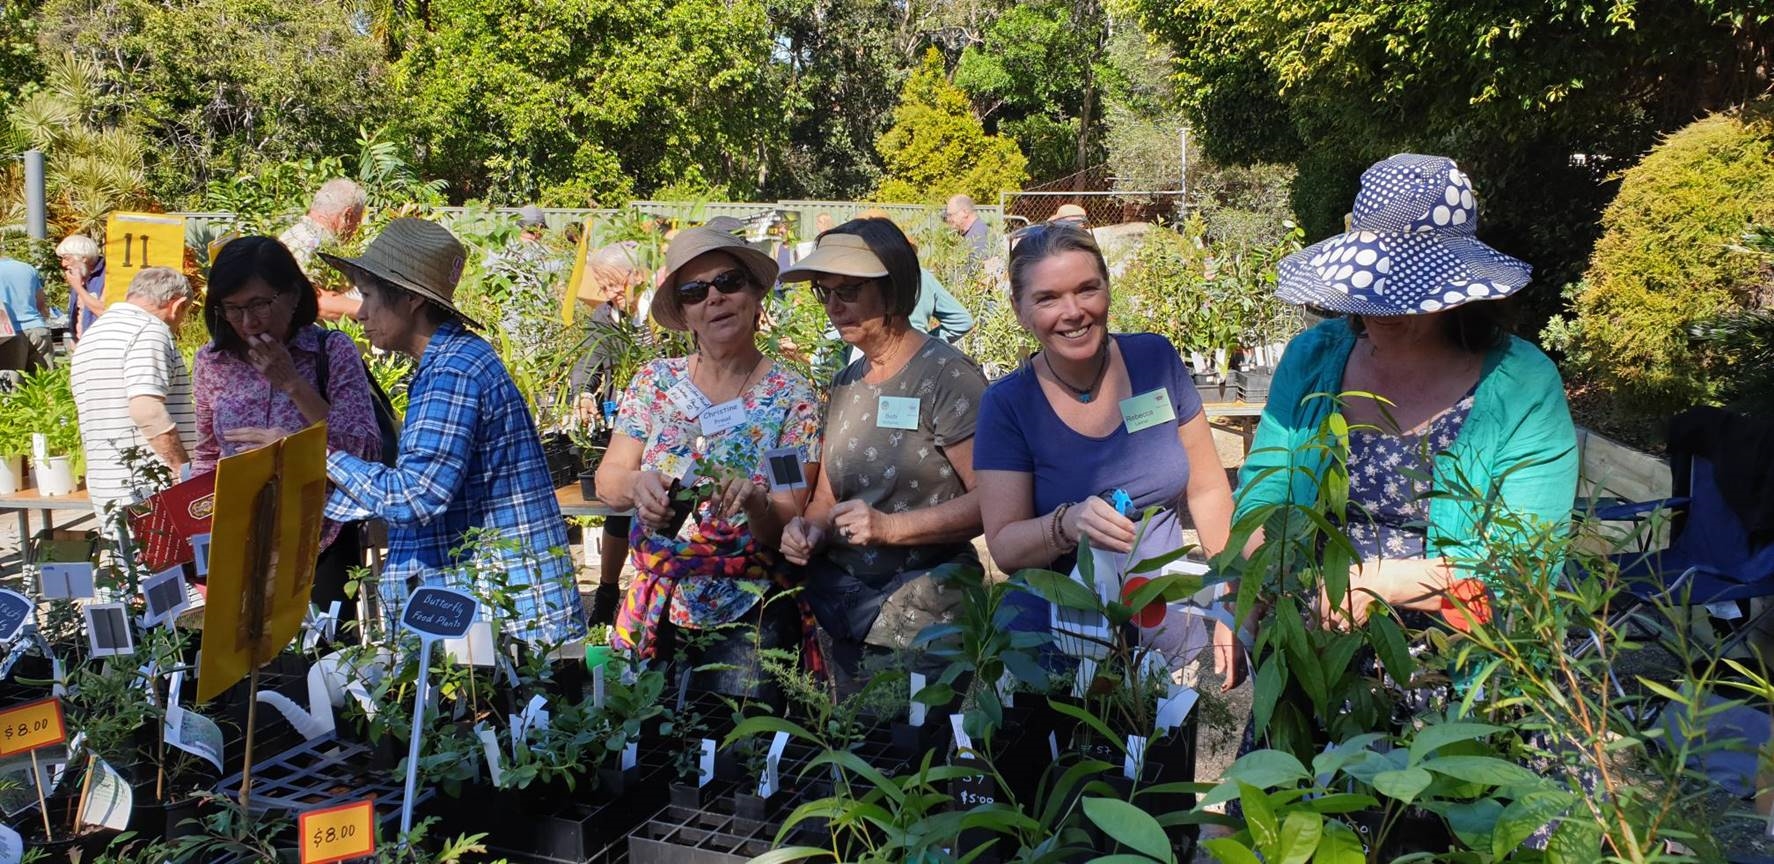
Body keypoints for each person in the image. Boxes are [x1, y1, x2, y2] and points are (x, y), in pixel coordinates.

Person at [1236, 154, 1579, 630]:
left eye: (1406, 289)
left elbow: (1523, 565)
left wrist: (1385, 582)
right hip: (1313, 643)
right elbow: (1266, 491)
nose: (1381, 304)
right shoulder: (1312, 359)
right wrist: (1256, 580)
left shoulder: (1523, 387)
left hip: (1458, 670)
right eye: (1370, 281)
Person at [973, 223, 1242, 684]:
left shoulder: (1154, 360)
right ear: (1020, 310)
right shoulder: (1008, 404)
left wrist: (1229, 598)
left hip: (1165, 631)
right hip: (1055, 649)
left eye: (1086, 289)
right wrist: (1067, 524)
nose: (1073, 312)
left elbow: (1208, 488)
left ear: (1107, 290)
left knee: (1163, 754)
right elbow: (1004, 546)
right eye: (1048, 298)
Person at [301, 218, 585, 647]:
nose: (360, 313)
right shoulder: (454, 360)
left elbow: (414, 497)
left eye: (370, 296)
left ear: (412, 298)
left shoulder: (452, 372)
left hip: (502, 621)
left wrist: (320, 454)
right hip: (497, 613)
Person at [594, 226, 823, 696]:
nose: (714, 298)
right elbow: (608, 479)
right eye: (695, 292)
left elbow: (787, 518)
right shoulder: (655, 384)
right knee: (649, 755)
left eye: (728, 282)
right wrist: (638, 484)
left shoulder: (789, 399)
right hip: (659, 605)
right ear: (682, 312)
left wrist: (758, 504)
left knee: (740, 759)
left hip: (751, 616)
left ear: (756, 294)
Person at [776, 219, 988, 681]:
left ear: (892, 291)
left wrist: (890, 528)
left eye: (848, 291)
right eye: (824, 292)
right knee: (861, 747)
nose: (833, 306)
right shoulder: (847, 383)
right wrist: (808, 531)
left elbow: (993, 500)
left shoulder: (947, 377)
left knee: (910, 752)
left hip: (928, 621)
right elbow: (827, 498)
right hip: (851, 611)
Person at [192, 236, 384, 630]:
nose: (248, 322)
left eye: (260, 304)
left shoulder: (331, 351)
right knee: (246, 668)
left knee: (322, 668)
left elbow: (364, 449)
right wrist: (194, 522)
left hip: (320, 536)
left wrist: (292, 384)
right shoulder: (213, 363)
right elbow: (209, 454)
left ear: (293, 295)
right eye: (233, 308)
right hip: (242, 538)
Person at [568, 240, 655, 625]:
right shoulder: (605, 317)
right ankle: (607, 590)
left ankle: (650, 590)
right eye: (601, 287)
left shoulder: (661, 315)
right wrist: (583, 392)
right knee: (618, 508)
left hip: (669, 428)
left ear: (637, 276)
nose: (606, 295)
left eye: (612, 285)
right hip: (625, 425)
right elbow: (588, 359)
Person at [69, 267, 197, 517]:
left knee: (125, 554)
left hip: (108, 484)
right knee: (166, 556)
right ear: (177, 305)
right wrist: (182, 471)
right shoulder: (149, 331)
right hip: (149, 485)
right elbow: (147, 410)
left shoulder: (94, 333)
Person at [280, 178, 368, 321]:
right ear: (348, 215)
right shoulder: (309, 242)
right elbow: (311, 301)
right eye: (357, 222)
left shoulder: (298, 234)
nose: (355, 230)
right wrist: (370, 310)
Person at [0, 246, 51, 370]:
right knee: (45, 384)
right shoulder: (27, 268)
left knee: (12, 386)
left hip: (9, 337)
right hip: (39, 330)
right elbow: (41, 304)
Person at [56, 234, 105, 342]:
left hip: (100, 345)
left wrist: (78, 287)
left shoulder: (106, 277)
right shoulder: (80, 276)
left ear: (84, 258)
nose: (63, 264)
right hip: (82, 344)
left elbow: (103, 311)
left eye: (67, 258)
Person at [944, 194, 990, 264]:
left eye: (951, 215)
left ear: (965, 212)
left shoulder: (978, 235)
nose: (949, 219)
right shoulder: (967, 233)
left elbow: (978, 269)